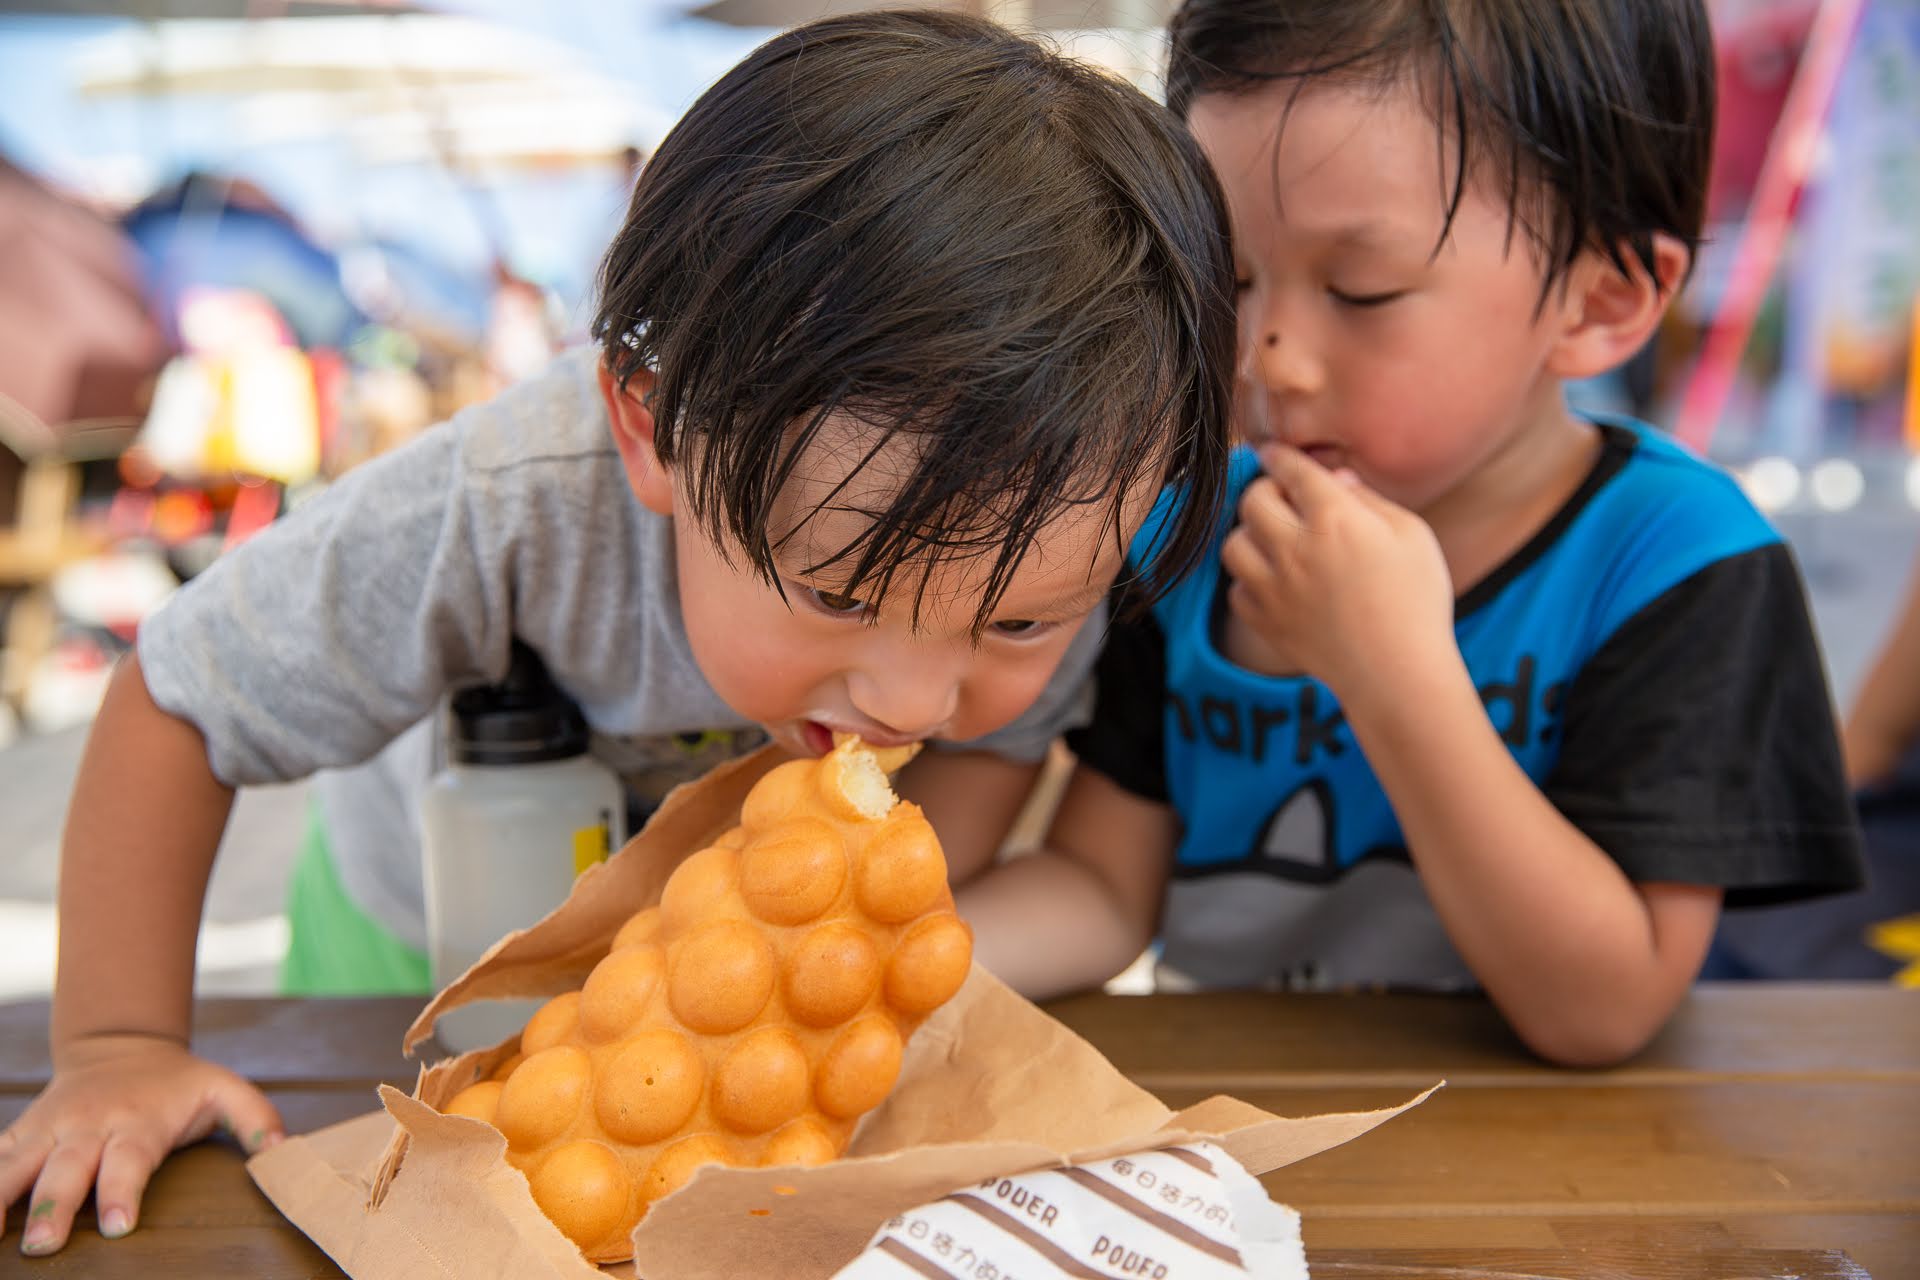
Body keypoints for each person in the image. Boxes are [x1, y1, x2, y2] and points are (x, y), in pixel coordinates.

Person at [0, 12, 1238, 1257]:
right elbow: (181, 695)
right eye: (840, 595)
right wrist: (120, 1045)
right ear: (655, 428)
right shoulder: (504, 507)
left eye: (1014, 620)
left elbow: (977, 770)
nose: (916, 698)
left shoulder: (1068, 521)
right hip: (418, 949)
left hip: (701, 1010)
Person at [956, 0, 1866, 1066]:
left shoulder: (1673, 561)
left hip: (1575, 1188)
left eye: (1362, 289)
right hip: (1251, 1133)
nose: (1267, 356)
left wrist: (1392, 673)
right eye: (1230, 278)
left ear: (1601, 301)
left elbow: (1605, 1008)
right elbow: (1106, 885)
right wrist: (884, 972)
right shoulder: (1189, 527)